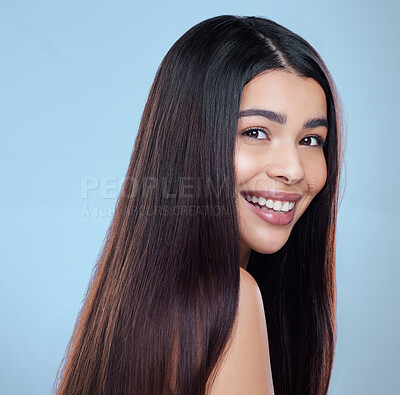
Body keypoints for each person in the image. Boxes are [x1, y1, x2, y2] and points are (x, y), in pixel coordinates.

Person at [53, 15, 343, 395]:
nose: (292, 170)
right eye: (256, 132)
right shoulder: (231, 301)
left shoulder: (129, 302)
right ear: (192, 142)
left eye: (311, 140)